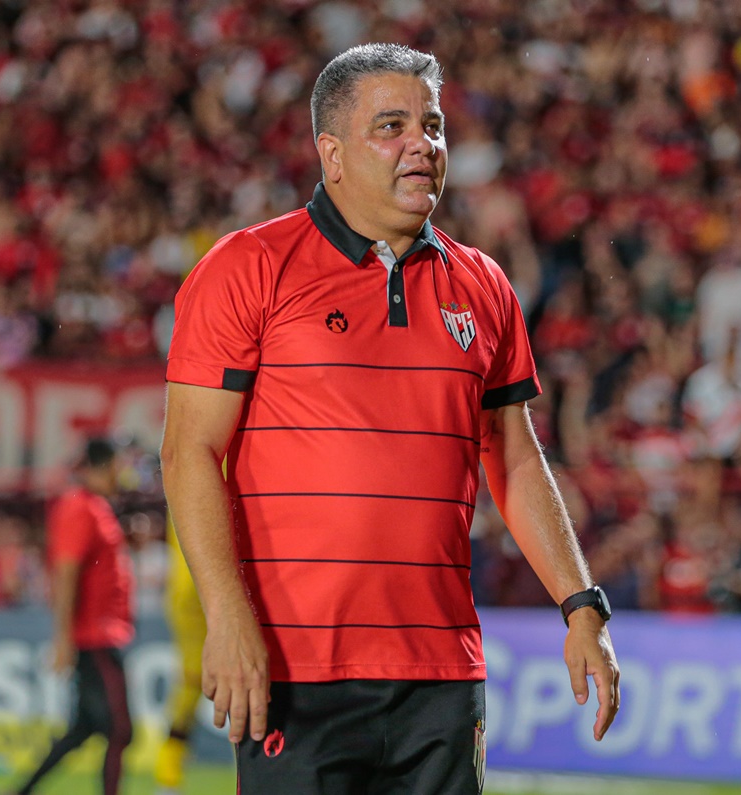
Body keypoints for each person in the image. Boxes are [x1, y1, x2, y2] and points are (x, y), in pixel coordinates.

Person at [160, 43, 620, 795]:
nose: (423, 145)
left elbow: (514, 455)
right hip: (295, 669)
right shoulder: (247, 267)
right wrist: (227, 617)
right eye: (393, 126)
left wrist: (580, 604)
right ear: (331, 153)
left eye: (433, 126)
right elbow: (188, 454)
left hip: (440, 675)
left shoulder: (484, 284)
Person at [9, 439, 133, 795]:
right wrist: (62, 639)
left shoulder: (93, 506)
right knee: (120, 729)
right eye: (117, 466)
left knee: (85, 727)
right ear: (104, 465)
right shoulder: (79, 507)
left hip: (102, 632)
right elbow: (65, 574)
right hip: (95, 636)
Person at [153, 516, 207, 795]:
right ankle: (168, 779)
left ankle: (168, 779)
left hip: (190, 598)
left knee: (187, 694)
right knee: (193, 690)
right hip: (198, 598)